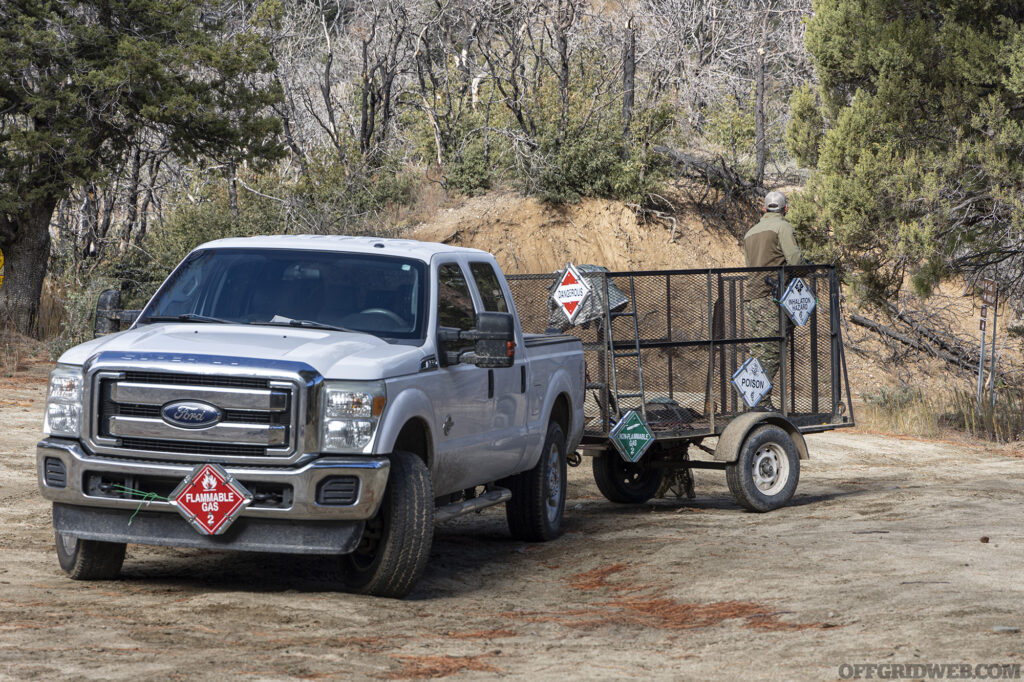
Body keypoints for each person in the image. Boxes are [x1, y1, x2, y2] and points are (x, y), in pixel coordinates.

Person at [743, 191, 805, 408]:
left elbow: (749, 264)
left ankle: (752, 400)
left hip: (751, 298)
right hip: (771, 297)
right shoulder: (783, 227)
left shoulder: (750, 233)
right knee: (771, 351)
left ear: (764, 208)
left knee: (758, 350)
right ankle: (761, 402)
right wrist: (806, 267)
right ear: (785, 208)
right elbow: (795, 259)